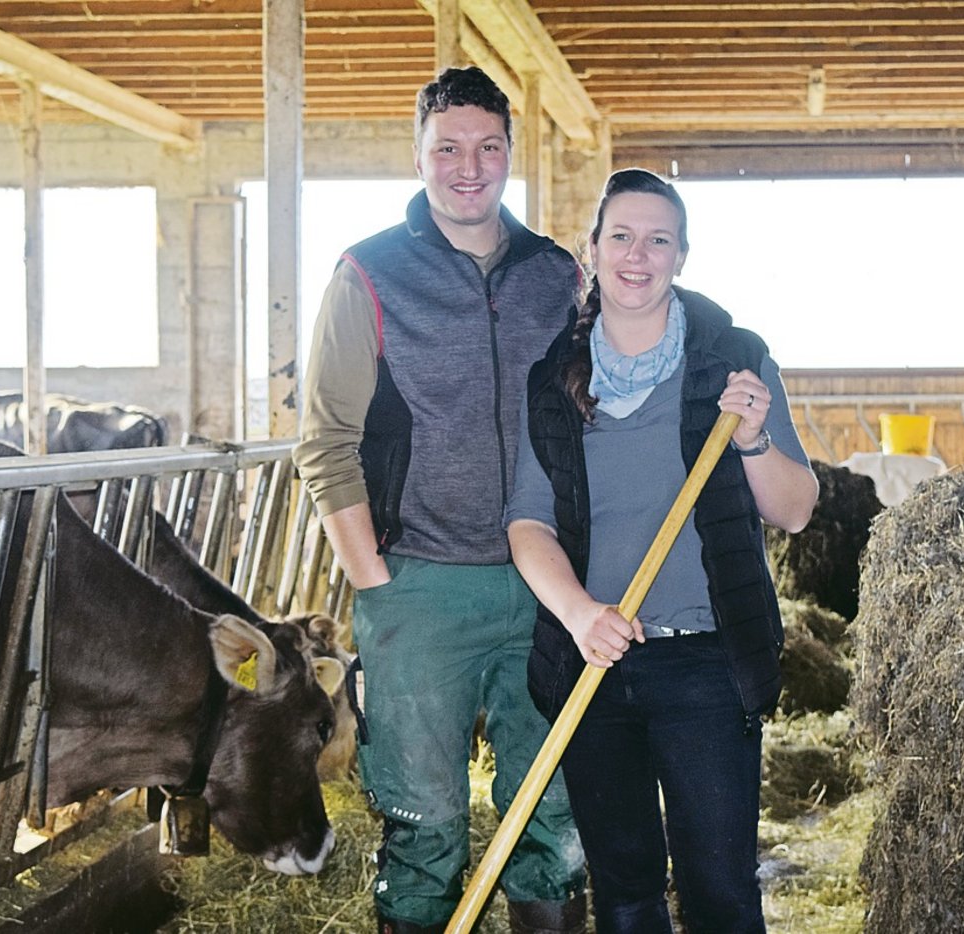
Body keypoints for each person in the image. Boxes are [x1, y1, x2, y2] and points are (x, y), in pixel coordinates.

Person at [293, 66, 587, 934]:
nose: (470, 166)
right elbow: (325, 439)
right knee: (425, 819)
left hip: (549, 586)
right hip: (420, 585)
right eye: (448, 147)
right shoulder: (370, 273)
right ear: (419, 156)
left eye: (488, 146)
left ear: (510, 153)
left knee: (556, 808)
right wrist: (377, 582)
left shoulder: (555, 275)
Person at [505, 168, 819, 933]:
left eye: (658, 239)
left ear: (681, 255)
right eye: (621, 236)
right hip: (595, 666)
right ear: (594, 249)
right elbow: (527, 525)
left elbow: (797, 510)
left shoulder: (730, 362)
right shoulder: (554, 379)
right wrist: (580, 615)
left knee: (719, 891)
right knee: (626, 894)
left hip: (706, 667)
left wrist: (752, 439)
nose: (637, 255)